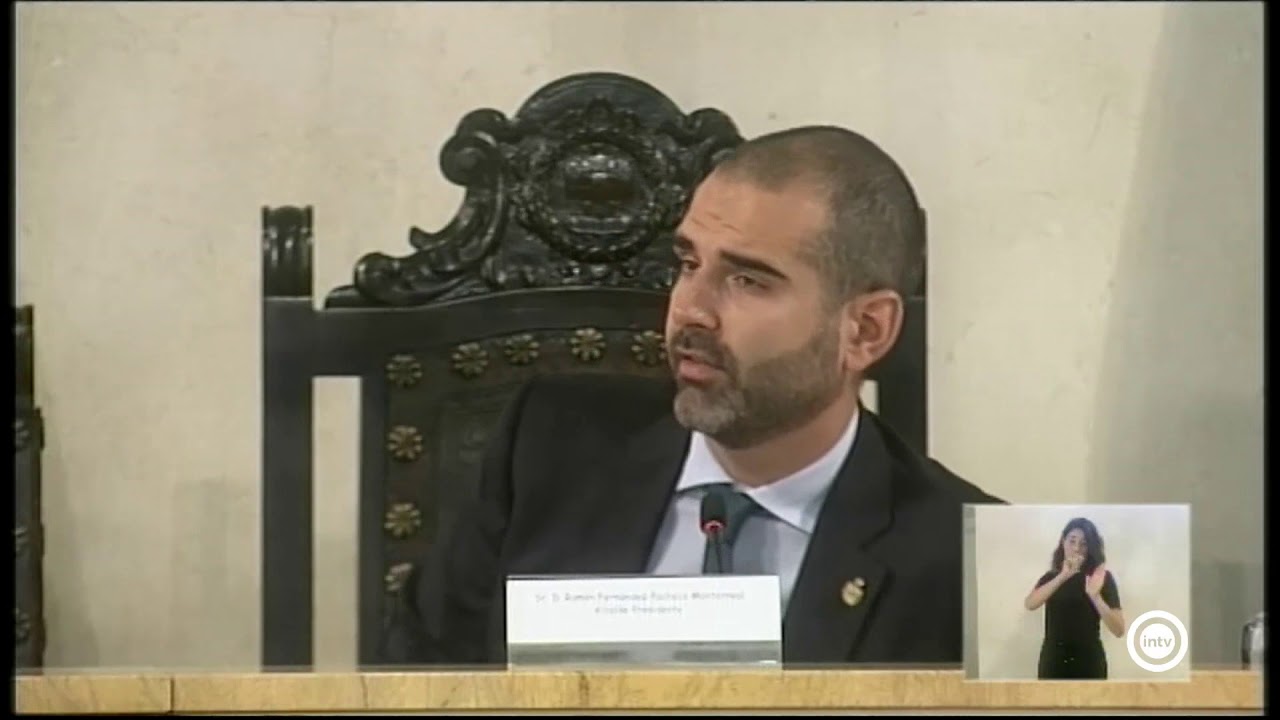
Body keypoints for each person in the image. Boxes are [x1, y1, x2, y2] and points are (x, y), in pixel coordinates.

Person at [389, 125, 1003, 667]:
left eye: (748, 280)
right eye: (688, 263)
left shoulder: (977, 564)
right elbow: (421, 682)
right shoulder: (547, 448)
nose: (690, 310)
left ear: (864, 331)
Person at [1023, 518, 1126, 679]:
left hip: (1089, 660)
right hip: (1054, 659)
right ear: (1063, 542)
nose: (1076, 548)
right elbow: (1030, 604)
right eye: (1072, 541)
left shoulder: (1100, 577)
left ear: (1090, 547)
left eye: (1083, 544)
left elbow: (1119, 629)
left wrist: (1095, 596)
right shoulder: (1051, 576)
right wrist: (1063, 576)